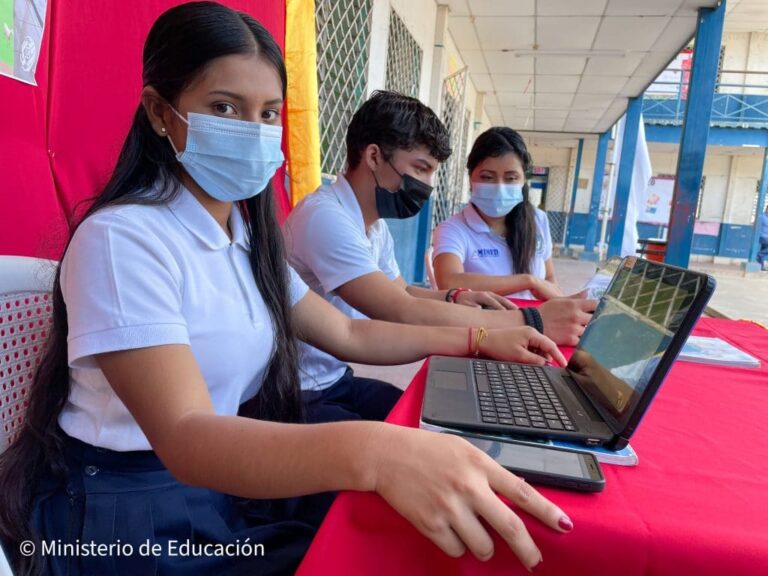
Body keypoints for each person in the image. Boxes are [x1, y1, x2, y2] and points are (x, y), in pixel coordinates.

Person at [0, 4, 574, 574]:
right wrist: (376, 452)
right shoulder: (123, 240)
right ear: (159, 112)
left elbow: (349, 333)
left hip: (212, 485)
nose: (252, 132)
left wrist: (479, 339)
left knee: (391, 531)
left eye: (269, 113)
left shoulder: (245, 237)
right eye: (225, 108)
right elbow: (185, 435)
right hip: (127, 515)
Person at [284, 92, 596, 422]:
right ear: (374, 156)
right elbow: (401, 310)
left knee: (432, 421)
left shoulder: (373, 226)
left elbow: (403, 291)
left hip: (333, 379)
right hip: (296, 392)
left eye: (432, 172)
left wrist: (453, 296)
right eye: (420, 169)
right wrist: (532, 321)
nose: (427, 185)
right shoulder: (325, 218)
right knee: (416, 442)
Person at [432, 127, 564, 300]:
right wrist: (528, 281)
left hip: (535, 316)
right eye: (487, 177)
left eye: (511, 178)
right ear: (470, 178)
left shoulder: (537, 219)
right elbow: (449, 281)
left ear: (523, 180)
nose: (499, 187)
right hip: (481, 318)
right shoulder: (453, 229)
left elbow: (549, 277)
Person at [758, 205, 768, 269]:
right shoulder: (761, 217)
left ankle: (760, 266)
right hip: (763, 237)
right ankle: (759, 254)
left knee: (763, 250)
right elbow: (755, 225)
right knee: (762, 252)